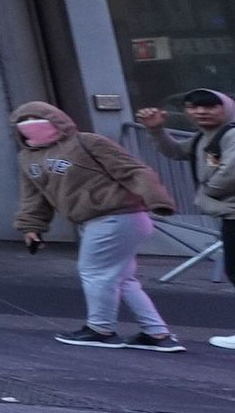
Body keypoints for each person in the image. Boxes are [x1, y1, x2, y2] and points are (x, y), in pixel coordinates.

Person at [11, 101, 188, 349]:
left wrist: (157, 200)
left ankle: (101, 328)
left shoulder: (87, 142)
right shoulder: (27, 157)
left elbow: (134, 170)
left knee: (95, 273)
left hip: (117, 215)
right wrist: (31, 226)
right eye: (23, 120)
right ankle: (157, 334)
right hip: (101, 219)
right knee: (122, 279)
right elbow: (34, 195)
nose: (30, 124)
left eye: (37, 118)